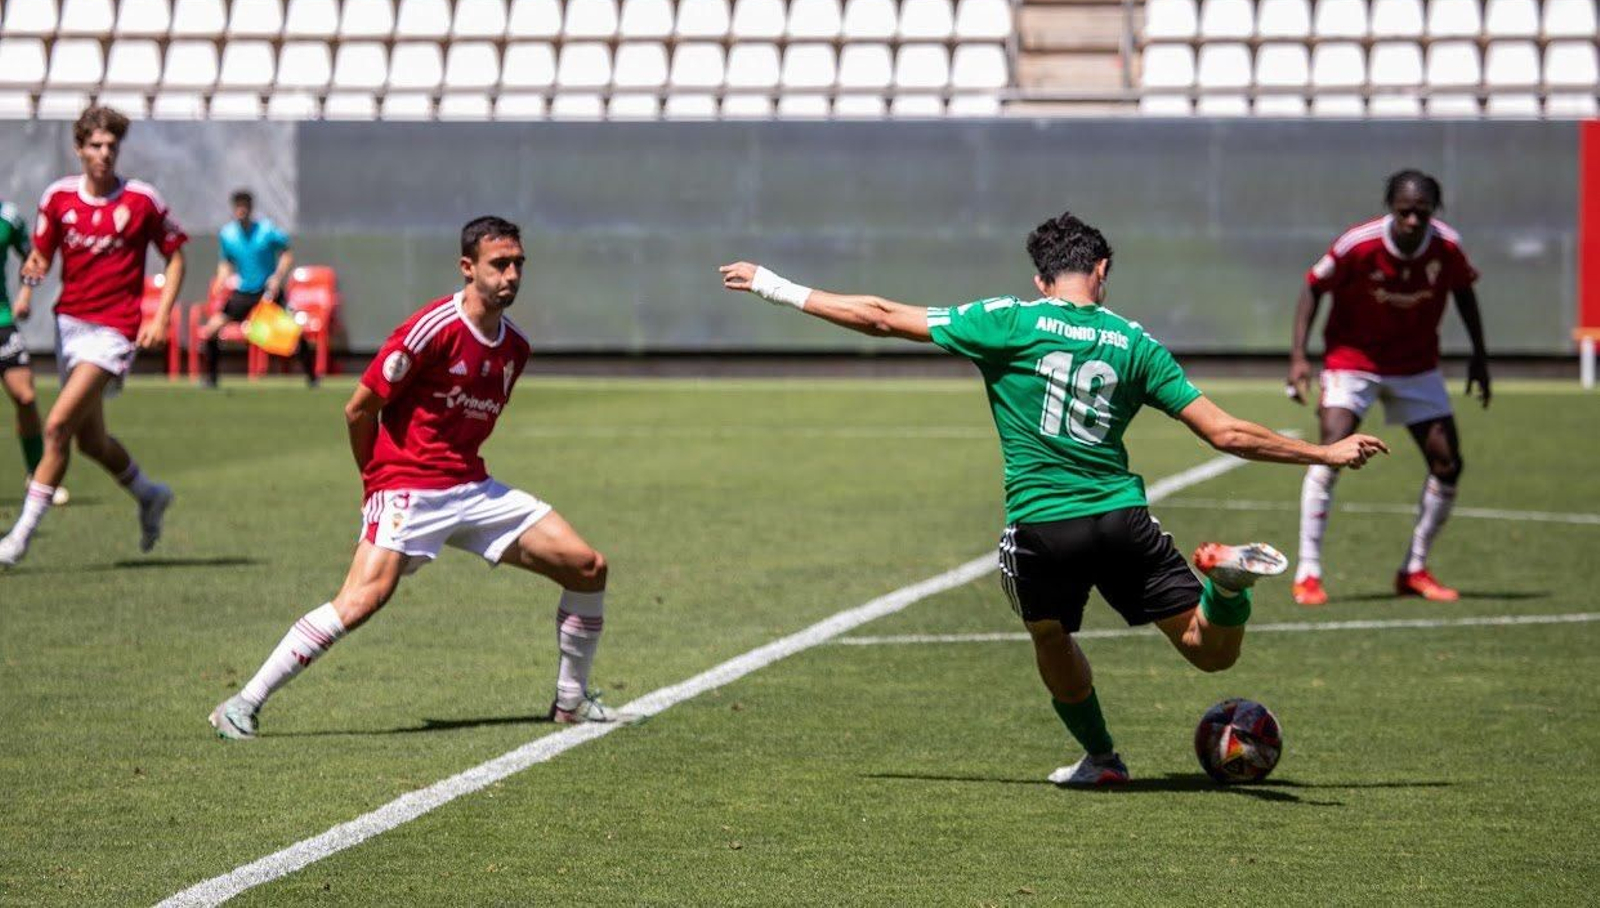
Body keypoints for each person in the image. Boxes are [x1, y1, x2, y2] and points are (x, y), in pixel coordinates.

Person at [719, 211, 1387, 786]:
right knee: (1210, 650)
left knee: (1049, 631)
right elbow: (1225, 432)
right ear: (1102, 269)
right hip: (1121, 518)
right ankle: (1231, 586)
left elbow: (881, 317)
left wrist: (775, 286)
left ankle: (1101, 756)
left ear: (1041, 278)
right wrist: (1323, 452)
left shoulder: (1007, 319)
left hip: (1043, 525)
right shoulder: (1135, 342)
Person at [208, 216, 611, 740]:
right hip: (407, 488)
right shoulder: (432, 329)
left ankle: (571, 702)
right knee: (361, 600)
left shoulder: (515, 349)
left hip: (471, 486)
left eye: (518, 264)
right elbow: (358, 410)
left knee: (587, 566)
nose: (511, 274)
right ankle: (242, 703)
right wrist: (375, 482)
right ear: (468, 268)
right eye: (499, 264)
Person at [1287, 169, 1490, 606]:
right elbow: (1312, 287)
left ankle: (1414, 567)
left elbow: (1464, 293)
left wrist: (1479, 355)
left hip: (1415, 364)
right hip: (1353, 360)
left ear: (1433, 211)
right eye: (1405, 212)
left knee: (1447, 462)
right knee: (1331, 449)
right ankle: (1308, 571)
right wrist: (1299, 356)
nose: (1413, 221)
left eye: (1422, 212)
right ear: (1391, 209)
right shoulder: (1358, 245)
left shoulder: (1447, 246)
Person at [0, 106, 185, 568]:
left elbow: (177, 256)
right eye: (96, 146)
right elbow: (40, 256)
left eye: (111, 146)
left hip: (114, 332)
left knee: (57, 426)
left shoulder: (142, 201)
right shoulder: (58, 198)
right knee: (91, 441)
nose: (104, 154)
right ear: (79, 149)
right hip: (70, 327)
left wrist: (159, 317)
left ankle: (17, 539)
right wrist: (31, 279)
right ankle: (149, 494)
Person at [197, 189, 318, 387]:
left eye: (245, 207)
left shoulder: (266, 230)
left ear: (251, 209)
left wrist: (277, 278)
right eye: (238, 207)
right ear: (234, 209)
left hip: (268, 292)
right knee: (211, 329)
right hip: (244, 293)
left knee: (295, 331)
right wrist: (221, 278)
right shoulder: (228, 234)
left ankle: (312, 377)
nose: (241, 211)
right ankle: (211, 378)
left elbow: (287, 253)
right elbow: (226, 261)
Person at [0, 200, 69, 505]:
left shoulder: (9, 217)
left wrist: (25, 294)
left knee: (25, 396)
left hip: (1, 320)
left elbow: (34, 258)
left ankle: (38, 476)